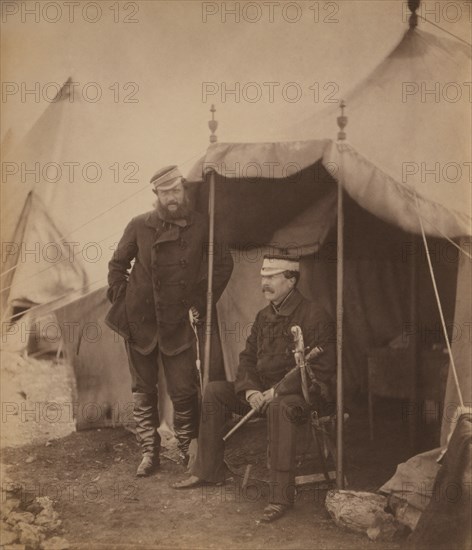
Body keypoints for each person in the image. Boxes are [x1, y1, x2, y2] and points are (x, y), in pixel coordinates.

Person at [173, 254, 336, 522]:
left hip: (303, 398)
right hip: (262, 394)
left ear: (291, 280)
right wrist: (250, 391)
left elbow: (323, 368)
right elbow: (248, 358)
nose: (264, 283)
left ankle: (281, 496)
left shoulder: (314, 314)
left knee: (281, 406)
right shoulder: (263, 316)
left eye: (271, 277)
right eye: (263, 277)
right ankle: (207, 471)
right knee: (214, 391)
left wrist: (278, 391)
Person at [106, 165, 233, 476]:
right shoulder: (139, 225)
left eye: (176, 190)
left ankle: (187, 449)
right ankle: (150, 453)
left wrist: (201, 300)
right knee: (143, 389)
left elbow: (223, 264)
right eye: (165, 192)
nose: (172, 197)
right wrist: (124, 300)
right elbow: (117, 264)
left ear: (183, 190)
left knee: (184, 389)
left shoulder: (202, 225)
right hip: (141, 322)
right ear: (156, 195)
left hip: (179, 321)